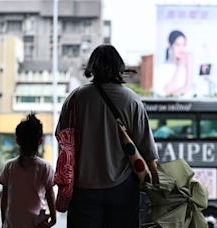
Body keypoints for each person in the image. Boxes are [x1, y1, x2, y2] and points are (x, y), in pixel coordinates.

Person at [57, 44, 159, 228]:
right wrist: (158, 189)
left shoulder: (75, 99)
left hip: (83, 189)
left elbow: (63, 141)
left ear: (92, 67)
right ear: (119, 67)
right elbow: (149, 153)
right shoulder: (132, 100)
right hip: (123, 189)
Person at [0, 113, 56, 228]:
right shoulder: (45, 167)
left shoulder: (9, 167)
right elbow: (50, 194)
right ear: (40, 141)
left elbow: (4, 199)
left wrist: (3, 222)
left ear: (17, 140)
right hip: (36, 224)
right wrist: (53, 219)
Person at [154, 30, 193, 97]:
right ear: (170, 45)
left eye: (183, 45)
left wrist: (189, 65)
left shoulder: (187, 65)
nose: (181, 49)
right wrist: (179, 66)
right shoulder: (161, 68)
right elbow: (168, 93)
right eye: (177, 45)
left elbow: (188, 88)